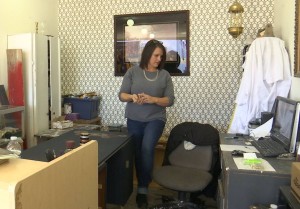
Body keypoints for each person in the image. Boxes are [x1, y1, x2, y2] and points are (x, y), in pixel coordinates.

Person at [118, 39, 175, 208]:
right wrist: (132, 97)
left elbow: (170, 101)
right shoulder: (133, 72)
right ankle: (140, 187)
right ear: (147, 54)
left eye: (161, 56)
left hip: (155, 119)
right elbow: (121, 95)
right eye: (156, 55)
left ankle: (143, 188)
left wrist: (153, 99)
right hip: (134, 119)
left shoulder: (164, 75)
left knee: (147, 147)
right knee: (136, 151)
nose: (159, 59)